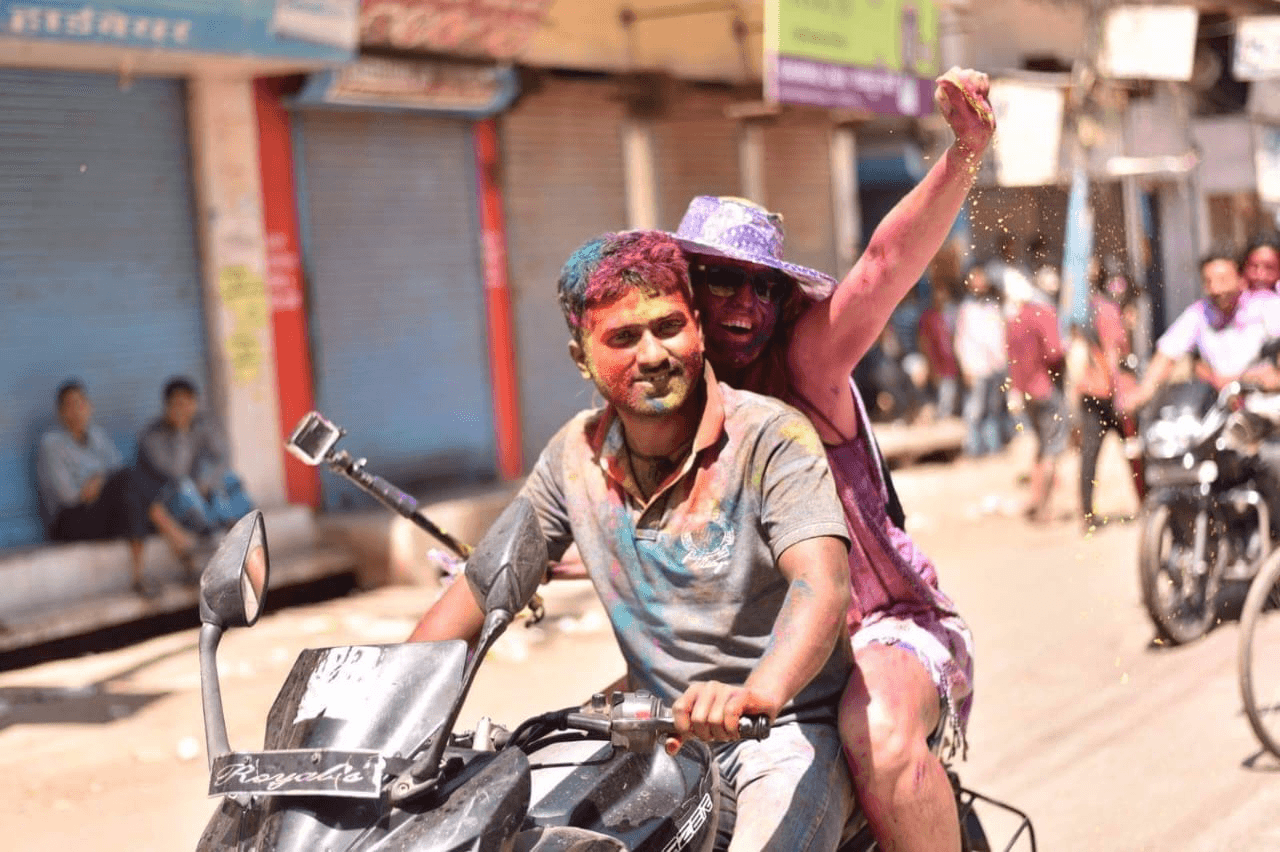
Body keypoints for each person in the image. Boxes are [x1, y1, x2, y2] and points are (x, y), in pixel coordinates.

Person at [409, 231, 857, 850]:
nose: (653, 354)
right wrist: (378, 719)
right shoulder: (574, 456)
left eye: (668, 326)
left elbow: (821, 585)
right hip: (652, 739)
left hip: (780, 732)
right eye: (623, 337)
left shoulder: (772, 438)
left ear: (698, 328)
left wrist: (759, 693)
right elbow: (483, 588)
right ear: (582, 356)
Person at [669, 65, 994, 852]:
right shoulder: (666, 401)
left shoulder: (806, 368)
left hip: (883, 630)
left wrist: (964, 154)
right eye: (723, 283)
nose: (746, 306)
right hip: (752, 650)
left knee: (875, 732)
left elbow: (882, 269)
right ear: (686, 289)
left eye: (764, 288)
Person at [36, 380, 194, 597]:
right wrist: (99, 484)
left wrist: (100, 482)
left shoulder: (97, 437)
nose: (77, 411)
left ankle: (139, 576)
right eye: (70, 405)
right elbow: (70, 496)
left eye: (81, 403)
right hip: (69, 520)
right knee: (129, 483)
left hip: (99, 513)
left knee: (132, 491)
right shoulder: (51, 445)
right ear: (61, 413)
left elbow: (118, 474)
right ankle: (177, 540)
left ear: (89, 407)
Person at [1125, 248, 1280, 409]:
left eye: (1223, 280)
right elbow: (1167, 353)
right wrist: (1144, 391)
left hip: (1267, 408)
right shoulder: (1199, 313)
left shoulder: (1265, 306)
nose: (1216, 289)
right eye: (1208, 281)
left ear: (1241, 279)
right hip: (1220, 410)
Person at [1073, 264, 1146, 530]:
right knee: (1134, 452)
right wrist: (1119, 395)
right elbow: (1112, 355)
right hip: (1111, 395)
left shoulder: (1095, 307)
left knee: (1091, 454)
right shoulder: (1109, 312)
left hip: (1094, 391)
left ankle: (1087, 514)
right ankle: (1145, 502)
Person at [137, 377, 254, 536]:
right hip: (171, 498)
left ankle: (235, 522)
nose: (183, 409)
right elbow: (177, 472)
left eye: (188, 403)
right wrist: (181, 432)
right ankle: (213, 530)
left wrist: (207, 480)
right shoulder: (152, 436)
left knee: (229, 478)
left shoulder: (204, 424)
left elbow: (222, 457)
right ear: (167, 406)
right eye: (178, 404)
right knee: (185, 487)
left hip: (203, 489)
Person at [1004, 275, 1067, 522]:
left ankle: (1036, 499)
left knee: (1041, 447)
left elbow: (1011, 359)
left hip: (1025, 392)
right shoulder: (1042, 315)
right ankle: (1044, 508)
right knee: (1052, 449)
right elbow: (1055, 352)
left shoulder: (1012, 323)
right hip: (1045, 388)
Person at [954, 264, 1010, 456]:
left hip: (995, 365)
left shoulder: (993, 306)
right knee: (975, 409)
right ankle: (973, 448)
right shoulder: (966, 308)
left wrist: (1003, 361)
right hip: (975, 366)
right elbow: (961, 339)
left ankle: (992, 447)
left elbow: (999, 335)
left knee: (993, 408)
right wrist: (965, 366)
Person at [917, 281, 962, 418]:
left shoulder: (950, 316)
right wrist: (930, 365)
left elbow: (954, 339)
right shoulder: (928, 316)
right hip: (936, 363)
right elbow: (923, 341)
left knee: (948, 395)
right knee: (941, 396)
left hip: (950, 364)